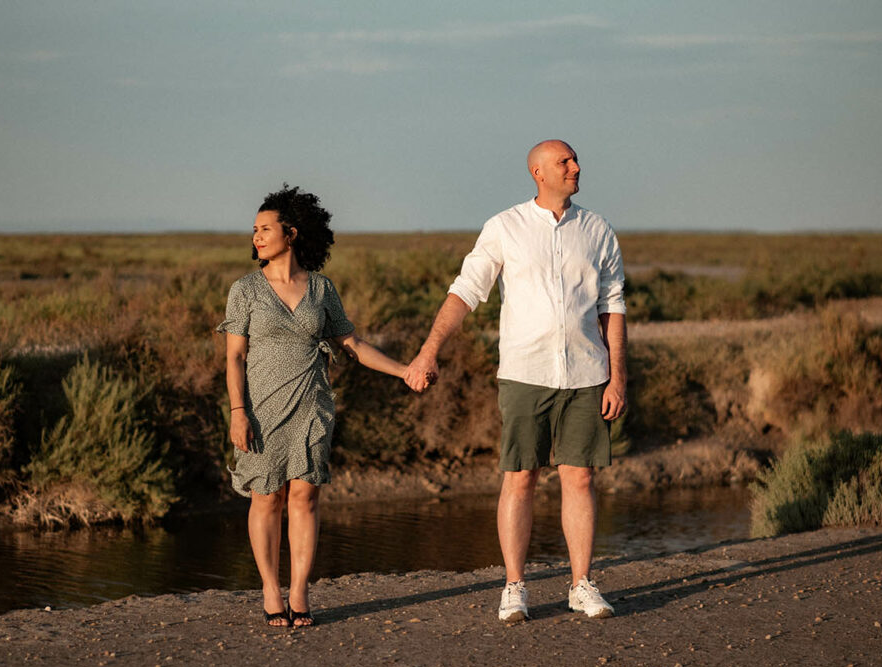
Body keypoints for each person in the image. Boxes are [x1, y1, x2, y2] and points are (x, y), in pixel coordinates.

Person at [404, 140, 627, 623]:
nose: (576, 167)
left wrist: (617, 377)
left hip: (587, 372)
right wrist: (429, 350)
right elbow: (466, 291)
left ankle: (581, 584)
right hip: (526, 373)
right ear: (537, 172)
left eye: (575, 160)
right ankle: (514, 586)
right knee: (520, 476)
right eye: (564, 162)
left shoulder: (597, 229)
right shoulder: (505, 226)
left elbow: (613, 306)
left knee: (580, 477)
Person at [218, 185, 409, 628]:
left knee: (304, 496)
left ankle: (300, 589)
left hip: (312, 404)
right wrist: (237, 412)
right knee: (266, 497)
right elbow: (234, 357)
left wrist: (403, 370)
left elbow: (351, 343)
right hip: (261, 408)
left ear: (292, 233)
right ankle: (270, 588)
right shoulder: (245, 290)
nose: (256, 236)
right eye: (254, 230)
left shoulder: (321, 288)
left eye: (265, 229)